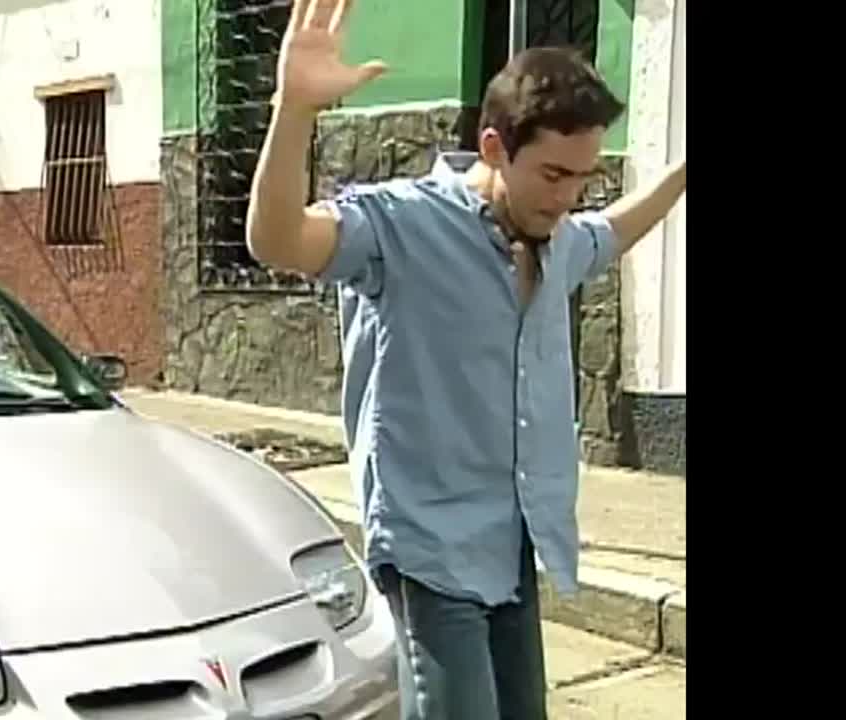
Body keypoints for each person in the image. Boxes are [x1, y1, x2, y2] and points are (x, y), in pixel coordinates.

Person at [245, 3, 686, 719]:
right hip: (430, 547)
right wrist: (293, 111)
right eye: (552, 174)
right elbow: (279, 241)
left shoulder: (557, 241)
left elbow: (612, 231)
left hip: (513, 537)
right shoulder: (402, 224)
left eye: (581, 178)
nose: (567, 198)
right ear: (493, 147)